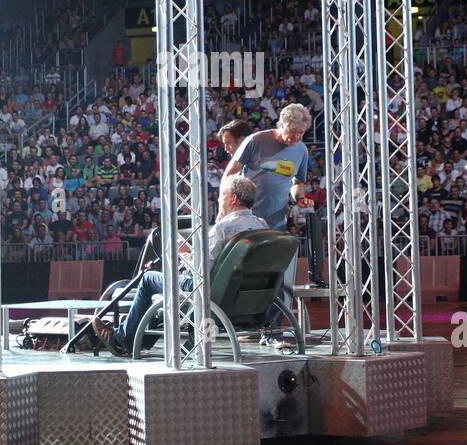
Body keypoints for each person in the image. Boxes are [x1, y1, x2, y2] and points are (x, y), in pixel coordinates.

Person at [92, 174, 269, 356]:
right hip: (246, 300)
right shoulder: (262, 226)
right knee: (167, 291)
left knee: (148, 279)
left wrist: (182, 252)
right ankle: (139, 339)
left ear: (233, 198)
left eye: (222, 194)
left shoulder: (222, 229)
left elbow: (201, 272)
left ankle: (121, 339)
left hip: (206, 292)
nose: (219, 199)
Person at [222, 103, 313, 327]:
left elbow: (297, 183)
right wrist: (227, 207)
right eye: (292, 132)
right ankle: (237, 324)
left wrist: (299, 198)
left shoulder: (301, 150)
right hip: (247, 219)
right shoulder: (255, 141)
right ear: (282, 125)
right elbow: (230, 173)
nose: (296, 137)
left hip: (275, 221)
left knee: (276, 277)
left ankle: (271, 329)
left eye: (301, 133)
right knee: (243, 273)